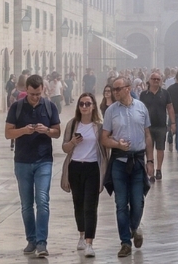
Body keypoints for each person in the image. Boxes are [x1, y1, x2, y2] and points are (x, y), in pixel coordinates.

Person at [5, 74, 62, 257]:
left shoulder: (49, 106)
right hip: (22, 161)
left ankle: (42, 242)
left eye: (38, 94)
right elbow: (8, 133)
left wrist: (47, 130)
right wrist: (23, 130)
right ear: (26, 90)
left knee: (43, 201)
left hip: (43, 160)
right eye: (32, 94)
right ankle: (31, 240)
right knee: (27, 204)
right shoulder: (17, 107)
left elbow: (57, 132)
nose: (35, 97)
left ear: (42, 91)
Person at [101, 77, 155, 257]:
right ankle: (125, 242)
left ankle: (135, 227)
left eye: (118, 89)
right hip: (119, 162)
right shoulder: (110, 111)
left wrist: (150, 161)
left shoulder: (141, 107)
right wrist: (117, 144)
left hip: (138, 160)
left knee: (138, 202)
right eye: (113, 89)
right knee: (121, 204)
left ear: (128, 88)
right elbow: (104, 138)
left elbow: (148, 135)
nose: (115, 92)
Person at [61, 92, 107, 258]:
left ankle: (89, 242)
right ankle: (81, 234)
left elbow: (105, 148)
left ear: (93, 105)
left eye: (88, 104)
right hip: (75, 167)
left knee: (91, 205)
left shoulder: (99, 126)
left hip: (92, 168)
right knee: (78, 203)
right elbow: (65, 148)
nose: (85, 107)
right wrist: (73, 142)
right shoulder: (72, 124)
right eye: (82, 104)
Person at [139, 72, 175, 180]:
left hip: (161, 126)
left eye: (158, 79)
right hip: (147, 127)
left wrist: (173, 123)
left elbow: (170, 108)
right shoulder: (143, 94)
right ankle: (151, 169)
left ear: (161, 81)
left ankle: (159, 169)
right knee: (149, 148)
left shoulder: (165, 93)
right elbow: (140, 109)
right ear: (149, 80)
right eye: (153, 79)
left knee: (160, 148)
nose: (155, 81)